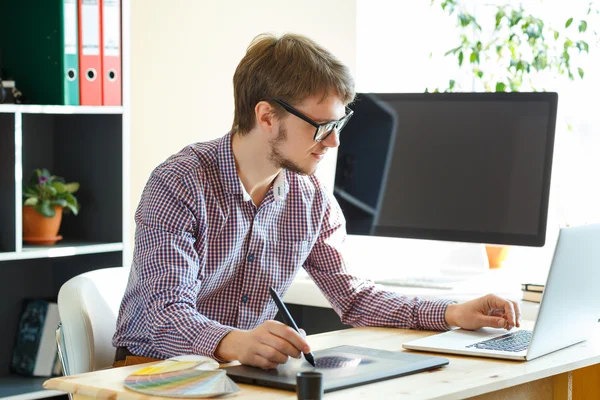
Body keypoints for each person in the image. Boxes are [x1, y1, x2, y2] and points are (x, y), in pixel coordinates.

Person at [113, 32, 520, 369]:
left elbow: (356, 299)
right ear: (267, 116)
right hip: (152, 373)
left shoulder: (309, 199)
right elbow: (162, 314)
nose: (335, 141)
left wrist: (452, 313)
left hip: (239, 374)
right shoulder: (181, 182)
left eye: (339, 123)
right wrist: (235, 343)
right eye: (322, 125)